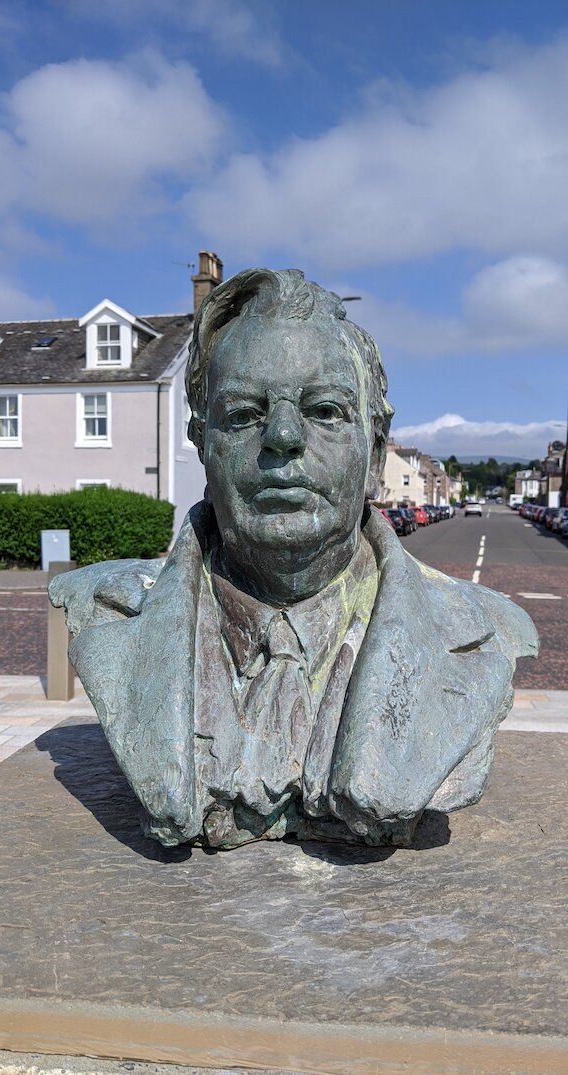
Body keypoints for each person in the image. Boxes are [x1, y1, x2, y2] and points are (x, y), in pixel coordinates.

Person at [50, 269, 537, 850]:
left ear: (376, 454)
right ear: (203, 443)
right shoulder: (104, 608)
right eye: (244, 413)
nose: (282, 436)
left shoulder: (487, 629)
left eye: (325, 411)